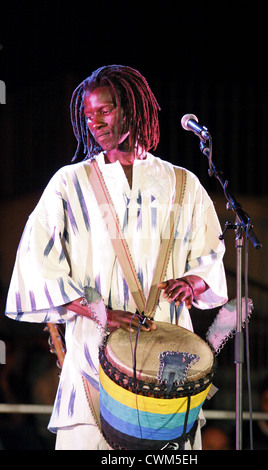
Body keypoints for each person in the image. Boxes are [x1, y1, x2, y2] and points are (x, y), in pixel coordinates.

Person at [5, 65, 228, 450]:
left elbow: (210, 253)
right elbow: (35, 261)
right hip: (94, 352)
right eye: (88, 114)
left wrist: (194, 281)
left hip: (168, 356)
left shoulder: (183, 183)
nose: (94, 122)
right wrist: (97, 312)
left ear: (131, 108)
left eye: (104, 111)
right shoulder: (69, 182)